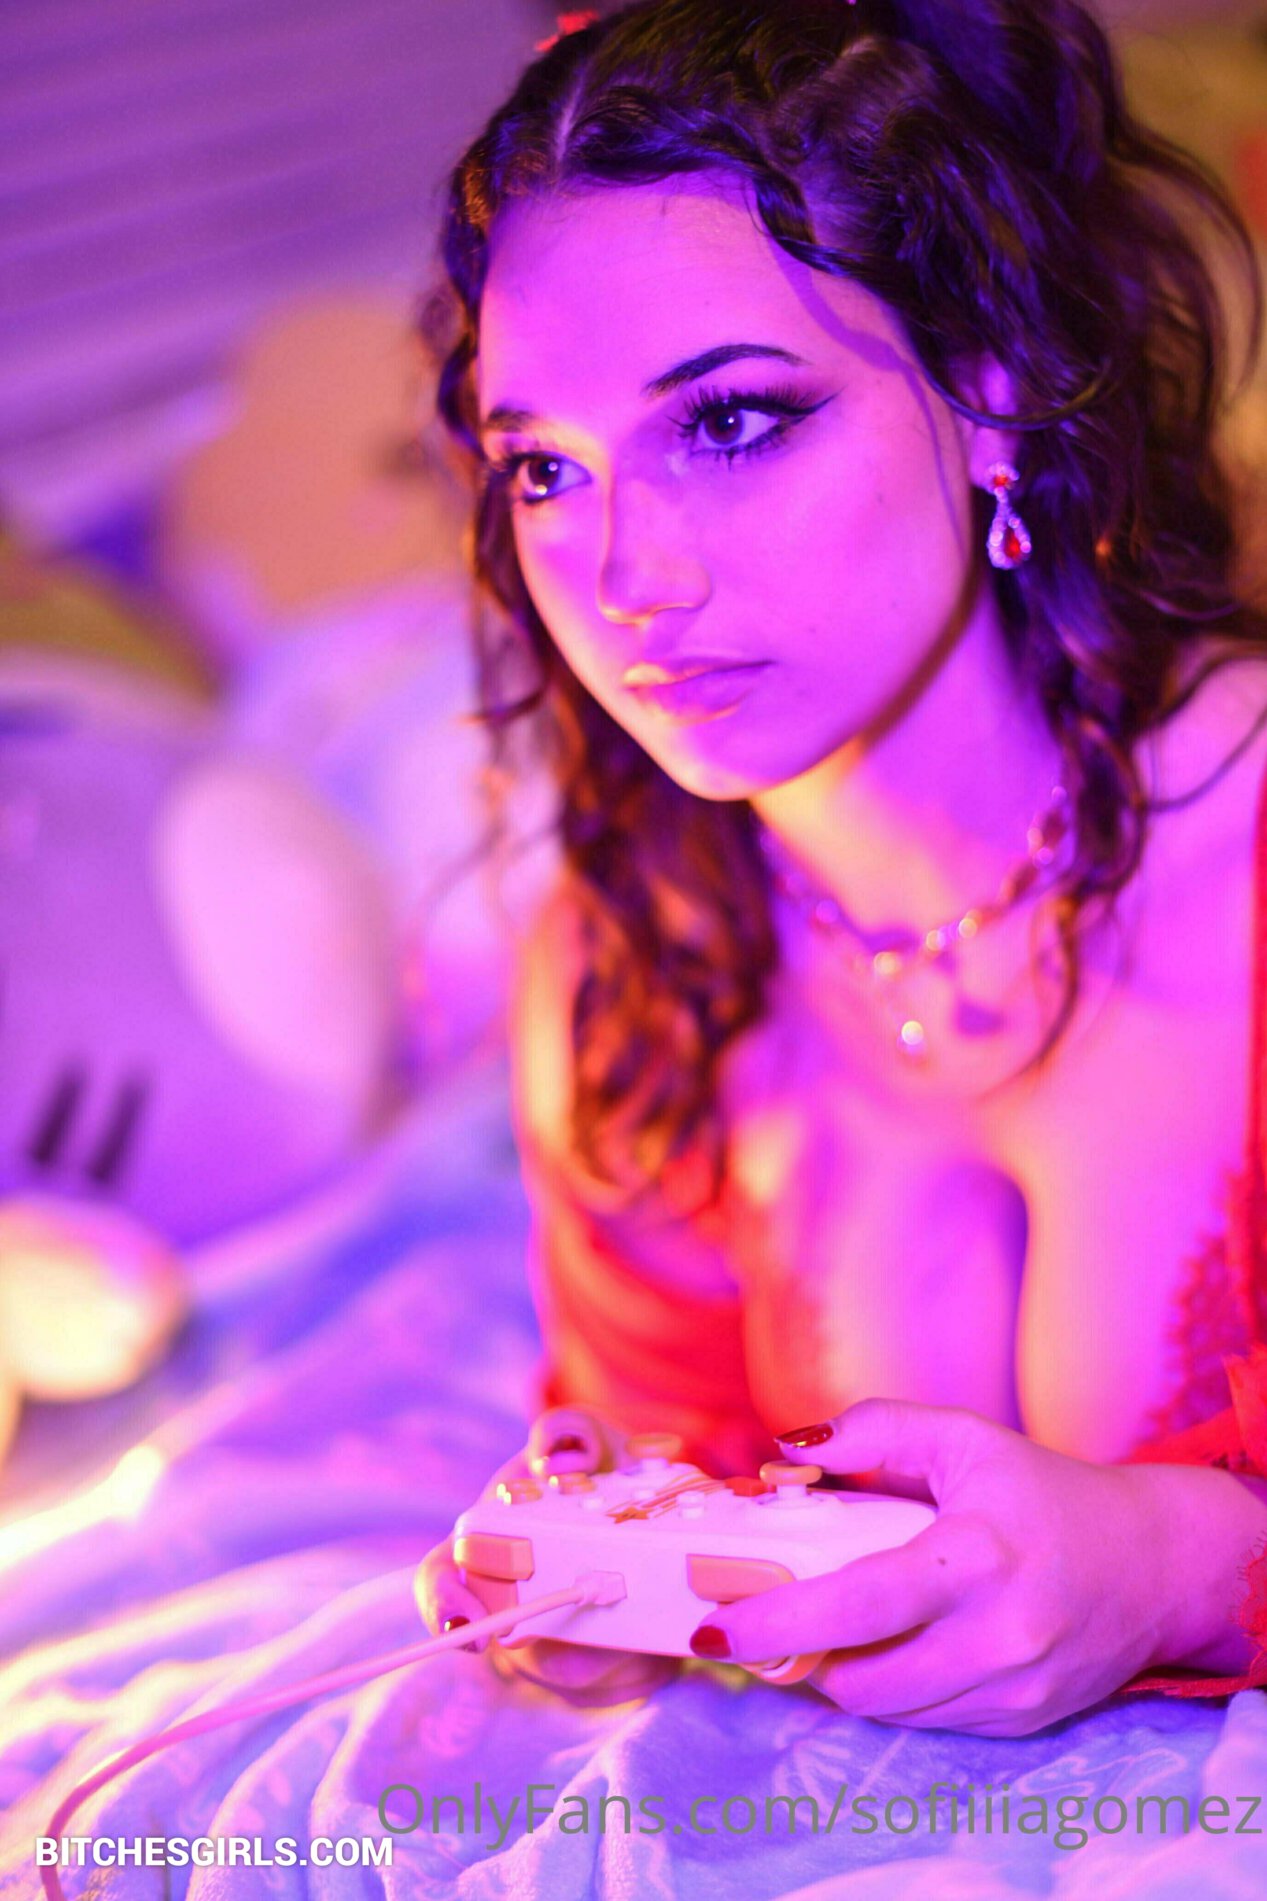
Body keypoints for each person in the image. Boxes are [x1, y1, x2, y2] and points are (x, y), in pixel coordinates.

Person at [415, 0, 1267, 1734]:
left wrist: (1186, 1562)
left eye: (732, 421)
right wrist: (623, 1571)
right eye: (546, 469)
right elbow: (676, 1445)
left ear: (992, 387)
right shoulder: (630, 973)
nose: (626, 579)